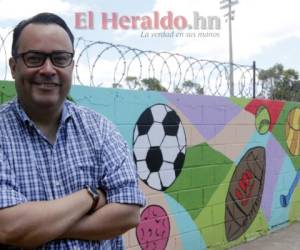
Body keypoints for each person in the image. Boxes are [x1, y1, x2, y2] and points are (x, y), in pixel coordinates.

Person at [0, 12, 145, 249]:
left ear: (72, 66)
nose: (48, 69)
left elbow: (129, 213)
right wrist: (91, 196)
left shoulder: (100, 130)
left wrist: (39, 228)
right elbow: (7, 227)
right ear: (14, 67)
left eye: (60, 58)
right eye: (34, 58)